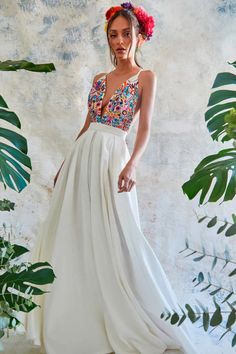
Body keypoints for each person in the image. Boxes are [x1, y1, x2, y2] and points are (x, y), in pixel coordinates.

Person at [24, 2, 198, 354]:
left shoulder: (145, 77)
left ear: (140, 37)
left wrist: (131, 164)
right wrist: (63, 166)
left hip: (112, 156)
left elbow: (145, 128)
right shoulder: (99, 80)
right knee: (74, 230)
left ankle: (122, 314)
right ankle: (76, 316)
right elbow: (88, 124)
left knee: (118, 233)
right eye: (113, 34)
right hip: (83, 157)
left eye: (126, 34)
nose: (119, 41)